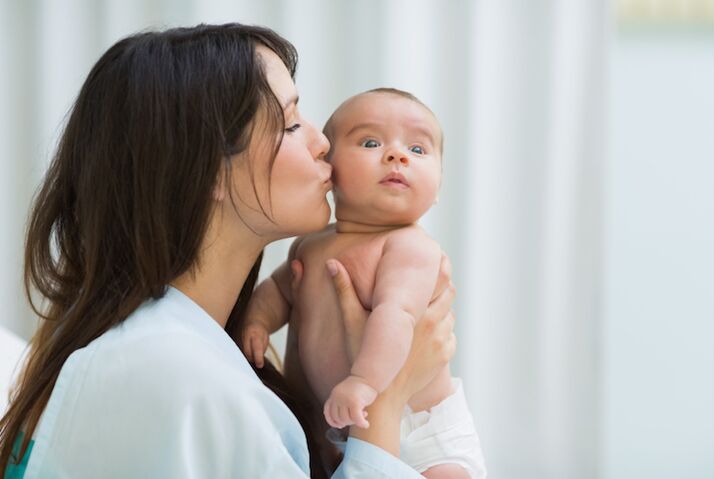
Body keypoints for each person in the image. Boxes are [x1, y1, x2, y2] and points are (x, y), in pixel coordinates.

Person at [0, 24, 458, 479]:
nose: (323, 144)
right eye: (293, 124)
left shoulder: (183, 352)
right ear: (208, 171)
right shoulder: (172, 374)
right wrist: (385, 399)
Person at [240, 89, 486, 478]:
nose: (397, 155)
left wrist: (363, 382)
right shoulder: (311, 243)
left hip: (419, 428)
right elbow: (280, 290)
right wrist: (256, 321)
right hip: (340, 422)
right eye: (371, 142)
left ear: (437, 189)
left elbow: (397, 315)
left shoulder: (410, 247)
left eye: (418, 150)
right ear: (329, 170)